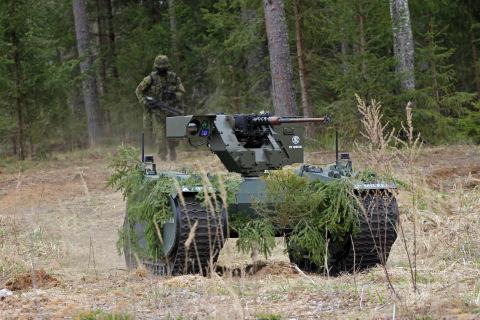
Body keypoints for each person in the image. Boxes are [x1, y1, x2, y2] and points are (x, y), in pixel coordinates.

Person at [135, 55, 185, 161]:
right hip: (157, 112)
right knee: (160, 136)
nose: (163, 69)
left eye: (165, 67)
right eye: (160, 67)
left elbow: (181, 92)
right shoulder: (151, 78)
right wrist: (145, 103)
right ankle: (163, 157)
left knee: (174, 136)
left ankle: (172, 148)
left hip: (171, 110)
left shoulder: (174, 77)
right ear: (156, 67)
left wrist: (174, 95)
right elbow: (139, 91)